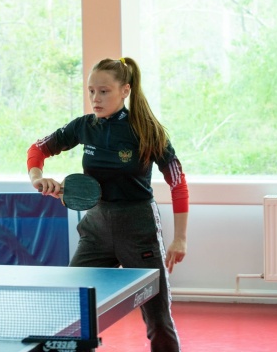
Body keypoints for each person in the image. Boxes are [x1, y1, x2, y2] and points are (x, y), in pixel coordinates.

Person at [26, 57, 189, 352]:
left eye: (104, 91)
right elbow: (37, 149)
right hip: (96, 229)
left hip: (139, 229)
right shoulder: (83, 126)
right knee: (72, 305)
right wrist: (38, 178)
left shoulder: (148, 130)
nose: (95, 99)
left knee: (158, 319)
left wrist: (180, 238)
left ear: (125, 90)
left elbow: (178, 183)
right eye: (91, 91)